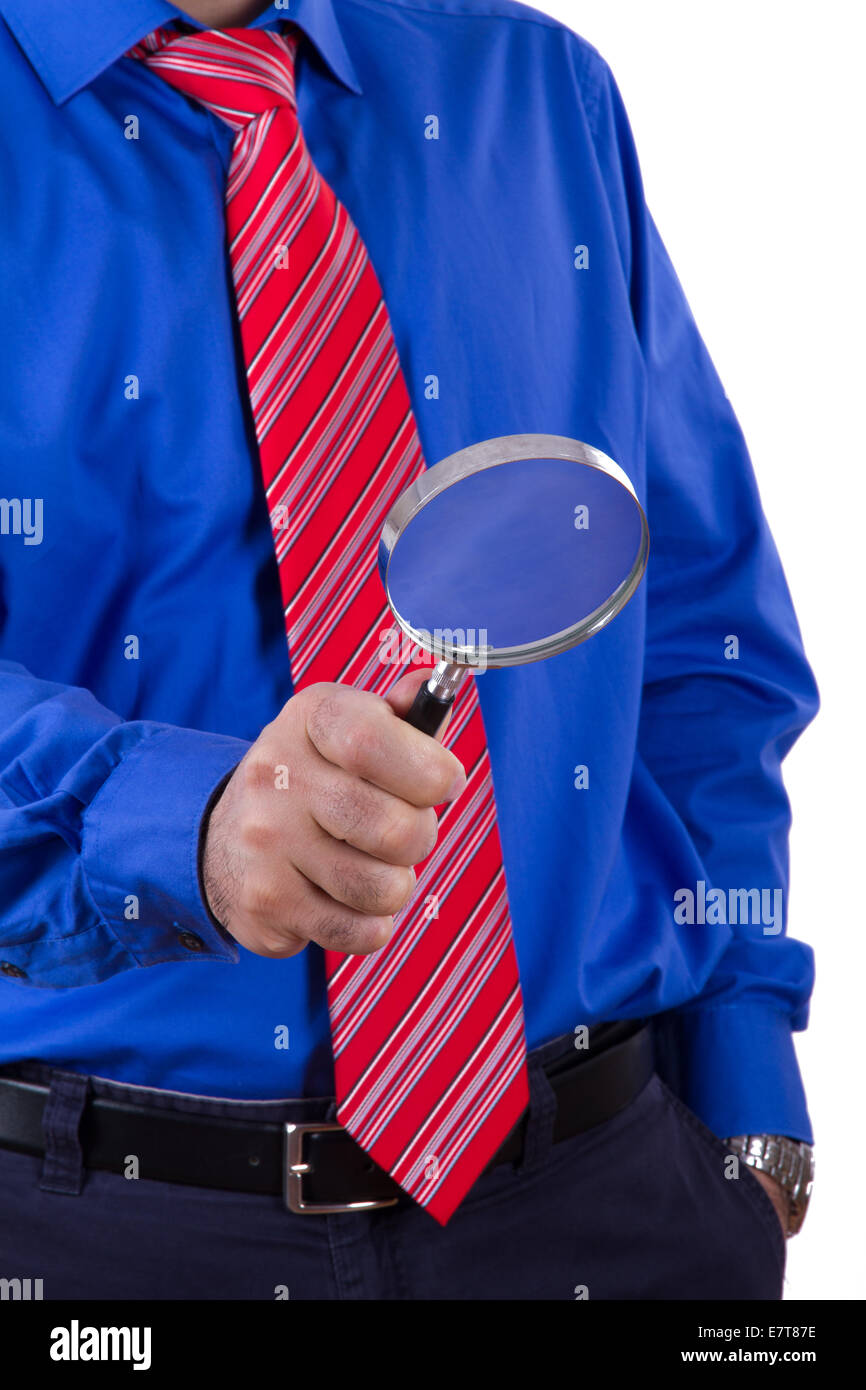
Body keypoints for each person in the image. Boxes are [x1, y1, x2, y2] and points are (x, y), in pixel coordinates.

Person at [0, 0, 818, 1300]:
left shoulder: (539, 92)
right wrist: (185, 833)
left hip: (602, 1196)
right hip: (92, 1234)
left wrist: (743, 1069)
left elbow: (704, 634)